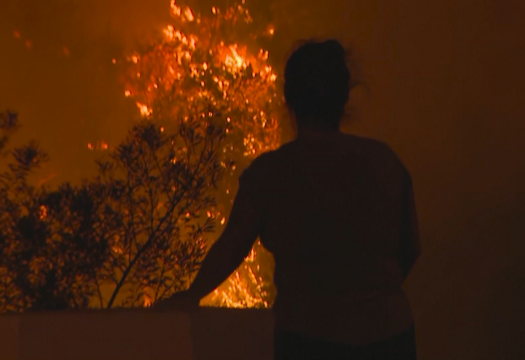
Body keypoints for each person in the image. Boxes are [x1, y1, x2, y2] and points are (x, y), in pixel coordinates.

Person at [156, 39, 421, 360]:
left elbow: (233, 245)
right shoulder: (385, 163)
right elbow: (410, 246)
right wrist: (371, 295)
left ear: (288, 99)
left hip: (308, 339)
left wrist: (191, 295)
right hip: (389, 336)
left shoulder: (270, 173)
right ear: (344, 96)